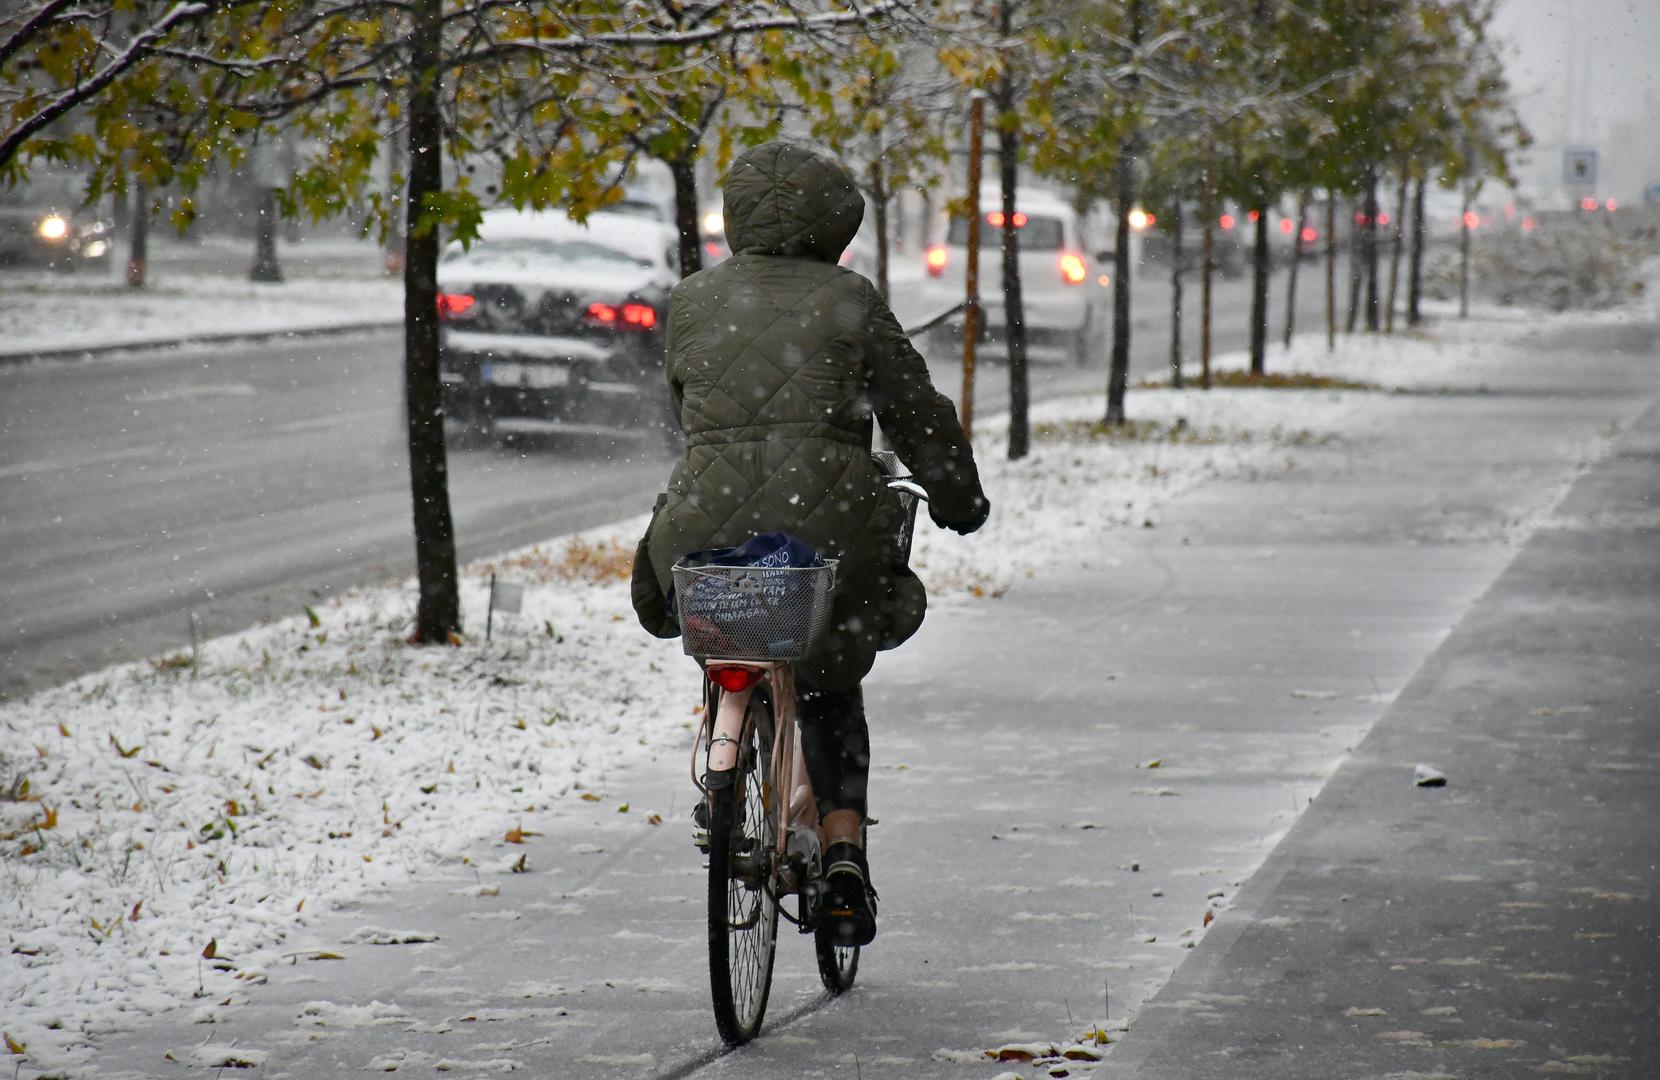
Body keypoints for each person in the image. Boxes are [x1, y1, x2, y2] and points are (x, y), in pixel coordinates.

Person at [631, 139, 989, 946]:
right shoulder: (851, 300)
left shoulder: (690, 300)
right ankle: (842, 853)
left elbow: (688, 402)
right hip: (827, 527)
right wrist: (958, 498)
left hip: (707, 519)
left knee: (729, 612)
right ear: (836, 223)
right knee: (828, 675)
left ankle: (728, 769)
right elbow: (916, 413)